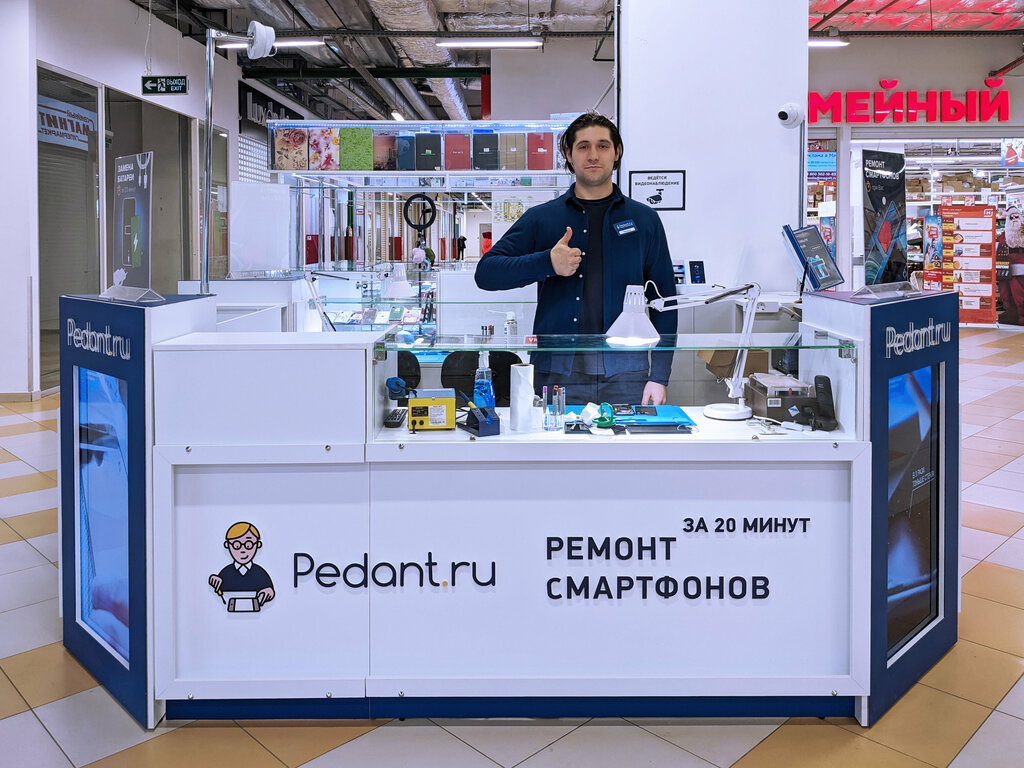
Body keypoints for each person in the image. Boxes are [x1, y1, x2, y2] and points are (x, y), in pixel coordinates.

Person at [474, 112, 675, 405]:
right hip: (556, 374)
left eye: (603, 146)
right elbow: (487, 273)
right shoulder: (542, 218)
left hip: (627, 374)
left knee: (628, 438)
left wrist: (659, 376)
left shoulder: (644, 220)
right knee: (556, 439)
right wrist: (546, 263)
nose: (593, 155)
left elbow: (665, 302)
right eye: (583, 146)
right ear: (569, 155)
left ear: (617, 152)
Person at [208, 521, 275, 606]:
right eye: (237, 545)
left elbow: (268, 589)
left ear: (258, 544)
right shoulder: (225, 573)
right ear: (227, 545)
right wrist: (215, 581)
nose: (243, 550)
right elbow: (219, 588)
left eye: (248, 545)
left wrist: (269, 592)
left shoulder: (260, 573)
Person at [996, 206, 1024, 325]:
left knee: (1019, 292)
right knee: (1005, 291)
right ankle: (1011, 313)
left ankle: (1021, 316)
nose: (1014, 220)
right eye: (1011, 218)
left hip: (1020, 267)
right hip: (1006, 267)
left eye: (1016, 217)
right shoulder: (1004, 235)